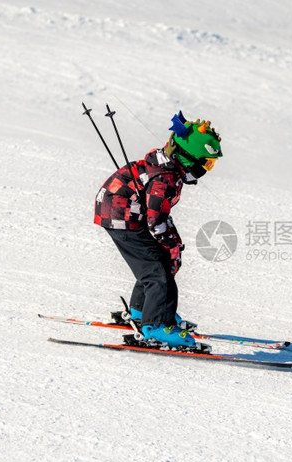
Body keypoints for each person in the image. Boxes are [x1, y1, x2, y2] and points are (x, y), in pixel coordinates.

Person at [93, 111, 223, 351]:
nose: (206, 170)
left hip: (120, 213)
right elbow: (156, 221)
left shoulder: (165, 166)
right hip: (122, 217)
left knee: (153, 264)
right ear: (187, 156)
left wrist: (173, 243)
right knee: (159, 271)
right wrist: (172, 246)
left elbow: (158, 215)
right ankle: (156, 325)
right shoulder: (166, 177)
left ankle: (143, 312)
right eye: (206, 162)